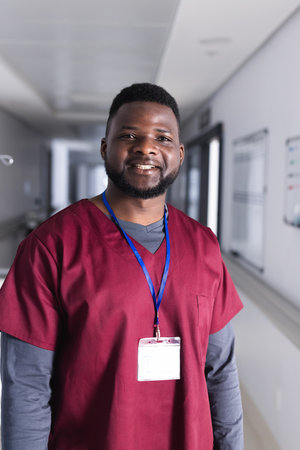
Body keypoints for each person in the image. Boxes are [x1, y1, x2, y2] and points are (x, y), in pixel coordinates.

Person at [0, 83, 243, 449]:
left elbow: (221, 372)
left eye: (161, 138)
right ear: (105, 147)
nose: (146, 147)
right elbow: (27, 387)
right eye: (130, 134)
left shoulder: (203, 246)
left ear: (178, 154)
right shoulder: (51, 246)